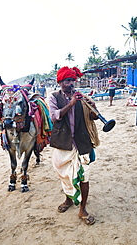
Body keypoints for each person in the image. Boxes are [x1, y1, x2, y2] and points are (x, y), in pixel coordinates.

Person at [48, 66, 100, 225]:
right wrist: (71, 103)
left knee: (84, 176)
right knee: (65, 174)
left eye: (72, 80)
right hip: (63, 143)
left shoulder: (81, 97)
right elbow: (55, 116)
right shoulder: (53, 97)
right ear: (60, 82)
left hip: (82, 142)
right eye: (67, 81)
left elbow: (93, 117)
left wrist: (93, 106)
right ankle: (69, 199)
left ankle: (82, 209)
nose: (70, 83)